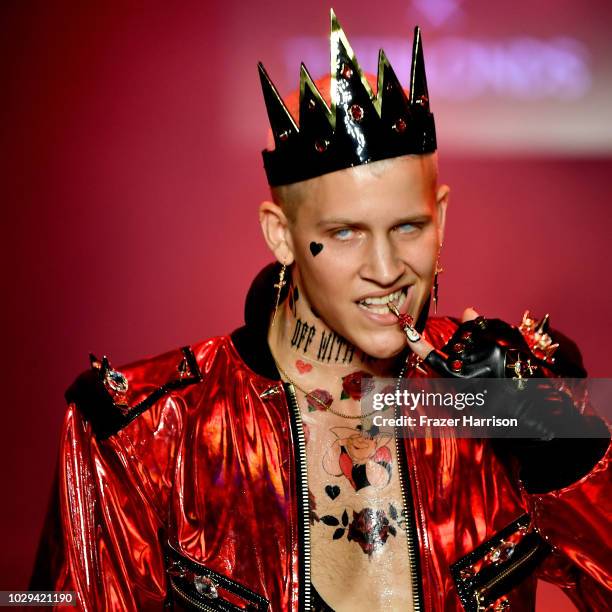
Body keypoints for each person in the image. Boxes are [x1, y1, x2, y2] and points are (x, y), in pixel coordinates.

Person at [31, 10, 611, 611]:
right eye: (344, 233)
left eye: (409, 227)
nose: (386, 268)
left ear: (442, 216)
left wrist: (565, 447)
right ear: (280, 235)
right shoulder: (145, 435)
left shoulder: (519, 392)